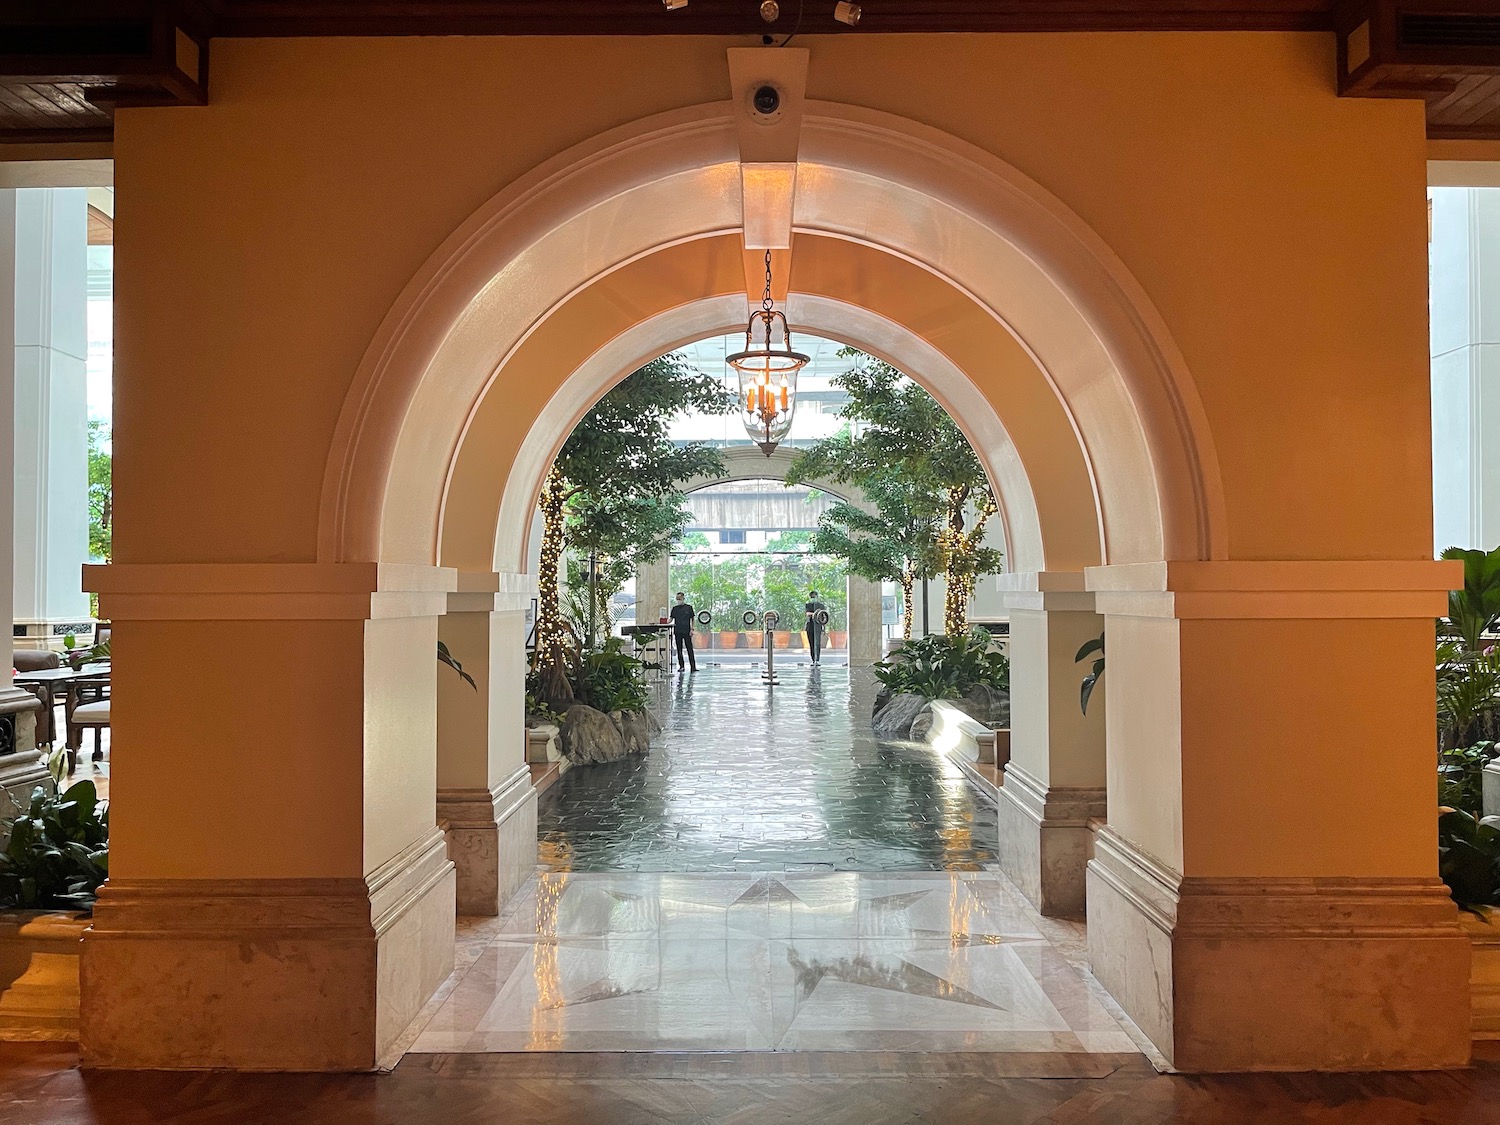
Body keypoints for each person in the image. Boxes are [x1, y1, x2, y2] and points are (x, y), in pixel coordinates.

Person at [668, 591, 697, 672]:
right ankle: (681, 666)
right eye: (677, 599)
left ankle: (693, 666)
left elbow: (692, 619)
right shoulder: (675, 609)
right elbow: (671, 619)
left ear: (683, 598)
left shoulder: (689, 608)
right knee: (679, 649)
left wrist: (692, 629)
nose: (678, 600)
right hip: (678, 631)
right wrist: (663, 621)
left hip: (687, 631)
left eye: (679, 598)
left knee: (689, 649)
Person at [804, 589, 828, 665]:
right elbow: (807, 614)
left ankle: (817, 659)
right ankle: (813, 659)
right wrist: (816, 613)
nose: (813, 598)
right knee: (811, 643)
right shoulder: (808, 605)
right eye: (812, 596)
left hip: (818, 627)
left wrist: (824, 627)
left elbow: (823, 617)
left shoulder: (821, 606)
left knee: (817, 644)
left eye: (814, 596)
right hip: (810, 627)